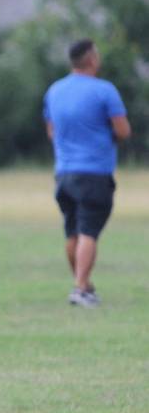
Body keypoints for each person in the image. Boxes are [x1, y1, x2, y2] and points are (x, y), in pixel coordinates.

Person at [43, 39, 131, 308]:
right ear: (92, 59)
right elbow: (123, 131)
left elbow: (51, 130)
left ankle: (84, 285)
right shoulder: (104, 91)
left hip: (64, 172)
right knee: (89, 231)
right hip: (94, 172)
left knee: (73, 232)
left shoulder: (54, 90)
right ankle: (80, 288)